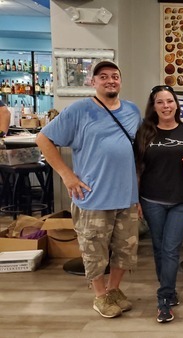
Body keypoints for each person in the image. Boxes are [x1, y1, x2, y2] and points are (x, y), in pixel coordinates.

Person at [36, 60, 142, 319]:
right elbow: (43, 138)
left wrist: (137, 194)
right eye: (103, 76)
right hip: (92, 196)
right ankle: (99, 296)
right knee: (94, 250)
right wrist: (67, 175)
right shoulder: (79, 110)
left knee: (125, 250)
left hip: (126, 197)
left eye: (115, 76)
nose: (110, 80)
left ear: (120, 80)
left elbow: (136, 154)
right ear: (93, 82)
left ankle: (114, 290)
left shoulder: (132, 111)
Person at [134, 85, 183, 323]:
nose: (166, 106)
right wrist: (136, 200)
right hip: (151, 199)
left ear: (176, 105)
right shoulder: (145, 131)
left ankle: (163, 299)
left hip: (181, 200)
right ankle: (169, 289)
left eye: (169, 101)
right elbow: (138, 168)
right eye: (160, 102)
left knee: (171, 249)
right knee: (158, 248)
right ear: (154, 107)